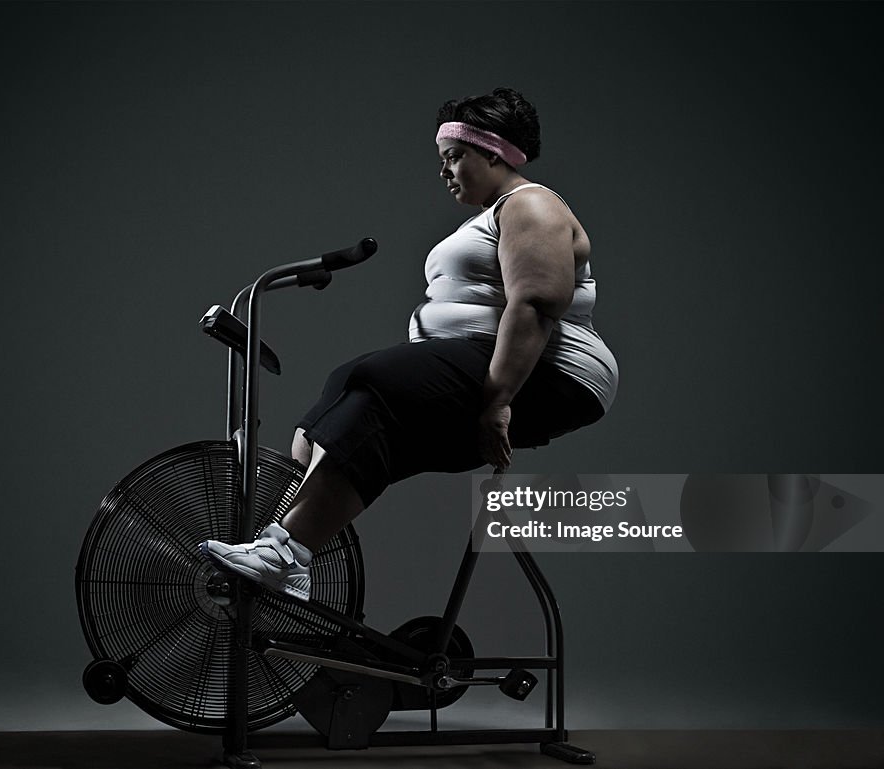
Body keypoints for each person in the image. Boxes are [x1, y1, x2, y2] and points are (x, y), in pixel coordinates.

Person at [201, 88, 618, 601]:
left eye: (454, 157)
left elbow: (535, 303)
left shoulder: (532, 204)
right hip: (483, 363)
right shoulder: (486, 218)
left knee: (366, 378)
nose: (444, 172)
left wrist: (499, 401)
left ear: (495, 153)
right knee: (340, 426)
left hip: (554, 374)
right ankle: (283, 548)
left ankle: (286, 553)